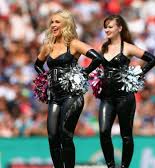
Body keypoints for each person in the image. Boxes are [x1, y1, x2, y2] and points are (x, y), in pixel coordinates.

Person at [33, 10, 103, 168]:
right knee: (52, 136)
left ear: (66, 24)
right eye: (51, 22)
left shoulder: (74, 43)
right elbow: (38, 65)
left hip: (72, 95)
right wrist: (44, 78)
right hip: (55, 96)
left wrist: (83, 73)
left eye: (57, 22)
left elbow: (97, 58)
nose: (53, 25)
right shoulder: (48, 46)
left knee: (65, 134)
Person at [97, 15, 155, 168]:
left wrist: (138, 74)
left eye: (110, 26)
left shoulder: (128, 47)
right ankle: (110, 166)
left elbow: (152, 59)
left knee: (126, 135)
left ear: (120, 28)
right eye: (105, 27)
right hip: (107, 97)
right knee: (104, 132)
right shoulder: (103, 47)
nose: (107, 29)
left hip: (125, 97)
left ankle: (124, 166)